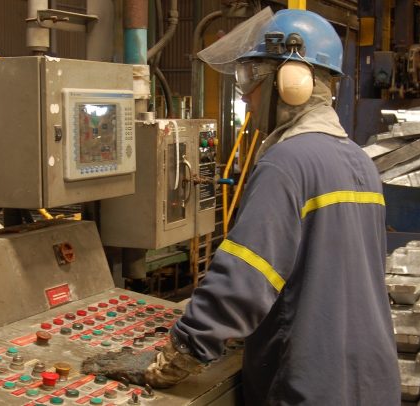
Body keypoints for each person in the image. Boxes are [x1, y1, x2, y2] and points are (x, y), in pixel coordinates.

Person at [143, 8, 401, 405]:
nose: (244, 95)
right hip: (372, 380)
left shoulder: (286, 163)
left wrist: (181, 353)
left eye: (251, 77)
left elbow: (243, 280)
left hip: (310, 385)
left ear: (292, 81)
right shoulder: (360, 162)